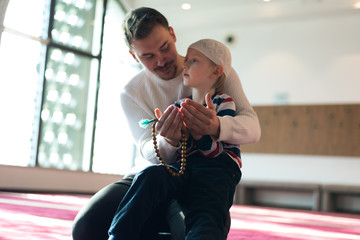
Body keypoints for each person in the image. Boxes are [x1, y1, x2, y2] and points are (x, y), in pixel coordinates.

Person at [72, 7, 261, 240]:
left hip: (206, 173)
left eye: (164, 47)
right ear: (133, 56)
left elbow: (252, 127)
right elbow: (146, 149)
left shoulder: (214, 69)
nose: (161, 60)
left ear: (173, 34)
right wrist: (167, 141)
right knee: (86, 227)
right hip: (153, 173)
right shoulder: (131, 92)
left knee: (205, 222)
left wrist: (217, 126)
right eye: (148, 56)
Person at [108, 38, 242, 240]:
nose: (185, 65)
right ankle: (118, 235)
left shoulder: (224, 102)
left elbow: (217, 152)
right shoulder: (179, 104)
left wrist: (201, 135)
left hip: (217, 168)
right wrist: (172, 139)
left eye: (194, 61)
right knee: (150, 175)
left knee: (207, 211)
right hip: (185, 167)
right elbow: (175, 153)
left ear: (216, 71)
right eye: (186, 59)